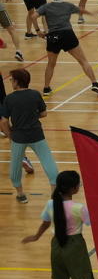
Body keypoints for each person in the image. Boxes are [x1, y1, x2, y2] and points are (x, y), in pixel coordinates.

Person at [20, 170, 98, 279]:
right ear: (74, 189)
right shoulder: (78, 208)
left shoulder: (51, 204)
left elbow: (46, 222)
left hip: (56, 246)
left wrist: (36, 236)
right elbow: (94, 223)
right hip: (75, 247)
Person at [31, 0, 98, 97]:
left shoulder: (46, 7)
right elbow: (81, 10)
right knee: (83, 60)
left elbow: (33, 16)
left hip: (53, 37)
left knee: (51, 64)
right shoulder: (68, 6)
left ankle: (46, 88)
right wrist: (92, 13)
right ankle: (95, 83)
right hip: (67, 35)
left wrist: (37, 31)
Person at [1, 68, 59, 202]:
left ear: (17, 82)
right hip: (36, 135)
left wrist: (10, 134)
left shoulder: (9, 98)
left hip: (18, 137)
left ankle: (21, 194)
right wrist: (32, 117)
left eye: (11, 79)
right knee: (48, 162)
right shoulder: (35, 94)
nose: (10, 82)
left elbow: (4, 121)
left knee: (15, 167)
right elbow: (44, 114)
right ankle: (54, 193)